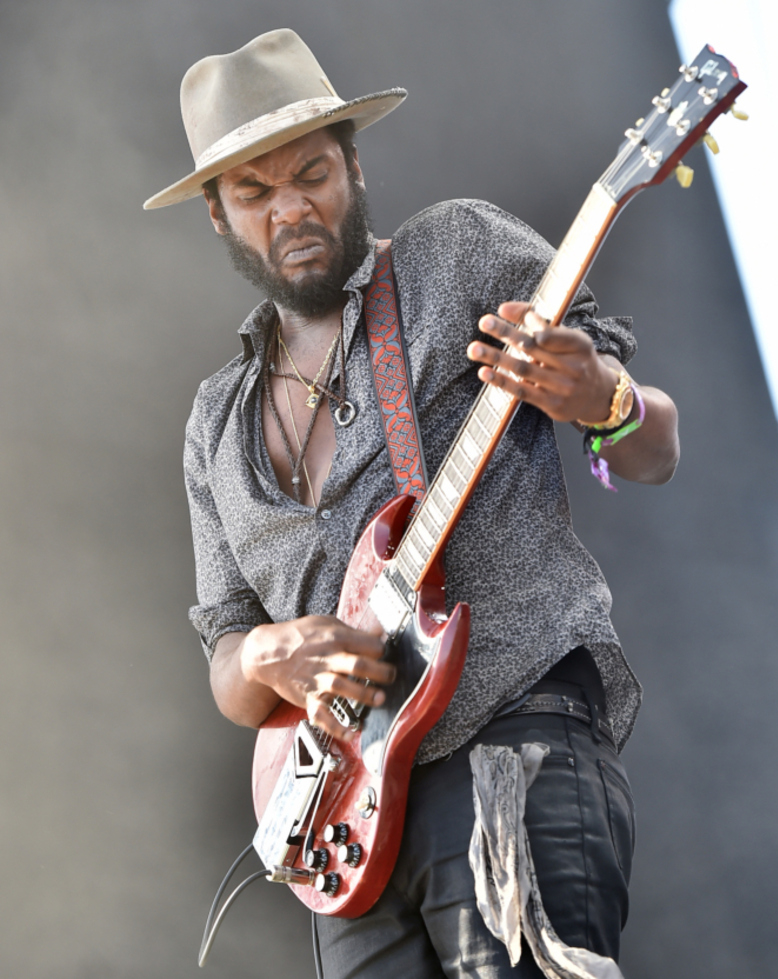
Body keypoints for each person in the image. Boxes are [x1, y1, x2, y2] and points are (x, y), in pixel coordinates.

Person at [145, 28, 679, 979]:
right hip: (342, 827)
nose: (293, 206)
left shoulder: (456, 253)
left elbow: (653, 447)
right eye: (256, 193)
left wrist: (600, 395)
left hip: (506, 745)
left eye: (312, 171)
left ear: (352, 162)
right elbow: (228, 657)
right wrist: (270, 652)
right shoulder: (214, 423)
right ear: (219, 219)